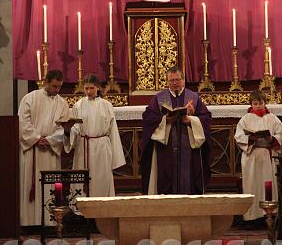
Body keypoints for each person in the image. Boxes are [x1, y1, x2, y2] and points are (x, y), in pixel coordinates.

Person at [140, 65, 211, 195]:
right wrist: (165, 120)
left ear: (183, 80)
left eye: (177, 79)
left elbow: (206, 118)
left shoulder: (193, 97)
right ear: (167, 82)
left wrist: (191, 120)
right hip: (166, 148)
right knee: (166, 176)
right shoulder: (159, 98)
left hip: (189, 147)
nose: (175, 83)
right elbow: (148, 118)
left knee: (188, 178)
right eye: (171, 80)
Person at [19, 69, 69, 227]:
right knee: (30, 186)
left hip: (49, 152)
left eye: (59, 87)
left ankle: (49, 222)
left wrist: (50, 140)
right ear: (46, 82)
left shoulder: (62, 103)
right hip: (32, 151)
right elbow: (22, 122)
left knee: (49, 187)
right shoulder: (30, 98)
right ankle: (29, 222)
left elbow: (64, 127)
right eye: (54, 86)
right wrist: (35, 138)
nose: (57, 90)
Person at [63, 74, 125, 197]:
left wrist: (115, 155)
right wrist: (68, 130)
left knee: (101, 178)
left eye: (92, 88)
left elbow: (112, 130)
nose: (89, 91)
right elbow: (76, 128)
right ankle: (80, 210)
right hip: (84, 146)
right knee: (82, 181)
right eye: (86, 88)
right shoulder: (78, 105)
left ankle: (102, 209)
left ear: (97, 88)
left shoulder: (106, 105)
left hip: (101, 147)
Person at [234, 90, 282, 225]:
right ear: (251, 104)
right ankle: (252, 217)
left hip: (267, 155)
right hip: (252, 156)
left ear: (265, 103)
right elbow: (239, 136)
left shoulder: (272, 118)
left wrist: (271, 139)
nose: (258, 106)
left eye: (261, 103)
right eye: (255, 104)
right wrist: (250, 138)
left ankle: (269, 215)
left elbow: (281, 135)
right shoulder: (245, 119)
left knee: (267, 186)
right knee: (252, 186)